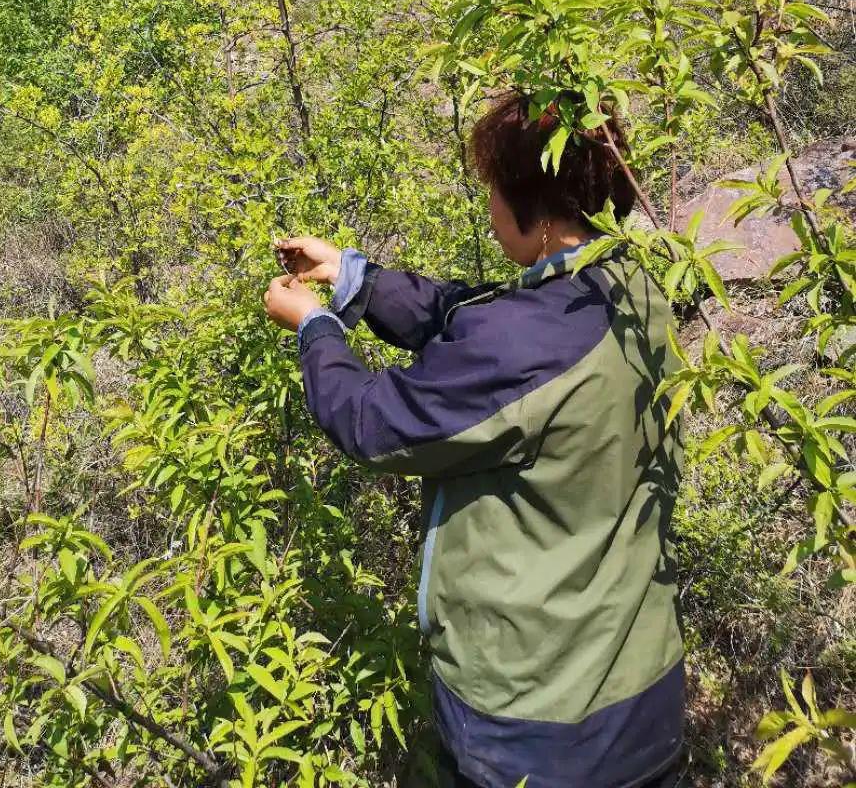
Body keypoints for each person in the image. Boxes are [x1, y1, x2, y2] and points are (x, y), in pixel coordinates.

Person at [263, 91, 686, 788]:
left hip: (541, 724)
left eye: (494, 191)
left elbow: (372, 420)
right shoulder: (632, 287)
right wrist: (350, 277)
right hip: (646, 692)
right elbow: (474, 313)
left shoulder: (520, 345)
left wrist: (316, 328)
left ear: (535, 213)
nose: (489, 209)